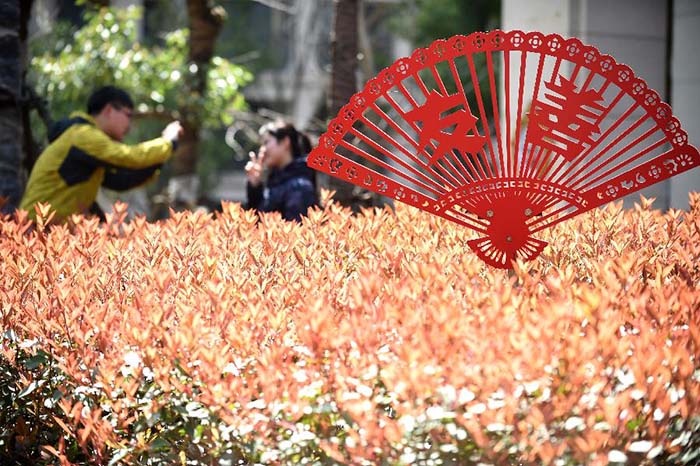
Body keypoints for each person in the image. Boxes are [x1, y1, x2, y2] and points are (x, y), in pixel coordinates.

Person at [20, 85, 183, 222]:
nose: (129, 124)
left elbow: (121, 181)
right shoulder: (83, 135)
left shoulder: (88, 145)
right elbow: (129, 156)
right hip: (35, 227)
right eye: (128, 115)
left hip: (46, 229)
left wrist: (160, 157)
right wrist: (167, 142)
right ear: (109, 110)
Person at [245, 120, 319, 222]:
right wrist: (255, 188)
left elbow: (295, 228)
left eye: (266, 142)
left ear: (285, 142)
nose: (262, 150)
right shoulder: (277, 182)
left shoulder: (299, 187)